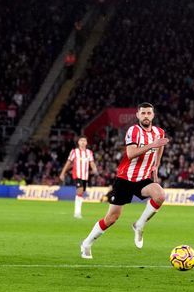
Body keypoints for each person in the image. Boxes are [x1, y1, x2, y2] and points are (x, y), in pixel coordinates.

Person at [80, 102, 169, 259]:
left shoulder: (159, 132)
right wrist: (152, 145)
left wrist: (156, 164)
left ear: (153, 115)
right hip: (125, 179)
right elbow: (131, 153)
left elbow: (160, 145)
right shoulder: (133, 131)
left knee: (160, 195)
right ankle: (86, 243)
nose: (146, 116)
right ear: (138, 115)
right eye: (143, 113)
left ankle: (139, 225)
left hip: (143, 178)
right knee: (112, 218)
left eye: (149, 113)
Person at [59, 135, 98, 219]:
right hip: (77, 175)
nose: (83, 142)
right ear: (78, 142)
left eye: (84, 141)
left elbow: (91, 162)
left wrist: (94, 168)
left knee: (80, 193)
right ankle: (77, 212)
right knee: (79, 191)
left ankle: (78, 212)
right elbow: (68, 162)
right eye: (81, 140)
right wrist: (62, 173)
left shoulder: (89, 152)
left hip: (85, 176)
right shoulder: (74, 151)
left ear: (86, 143)